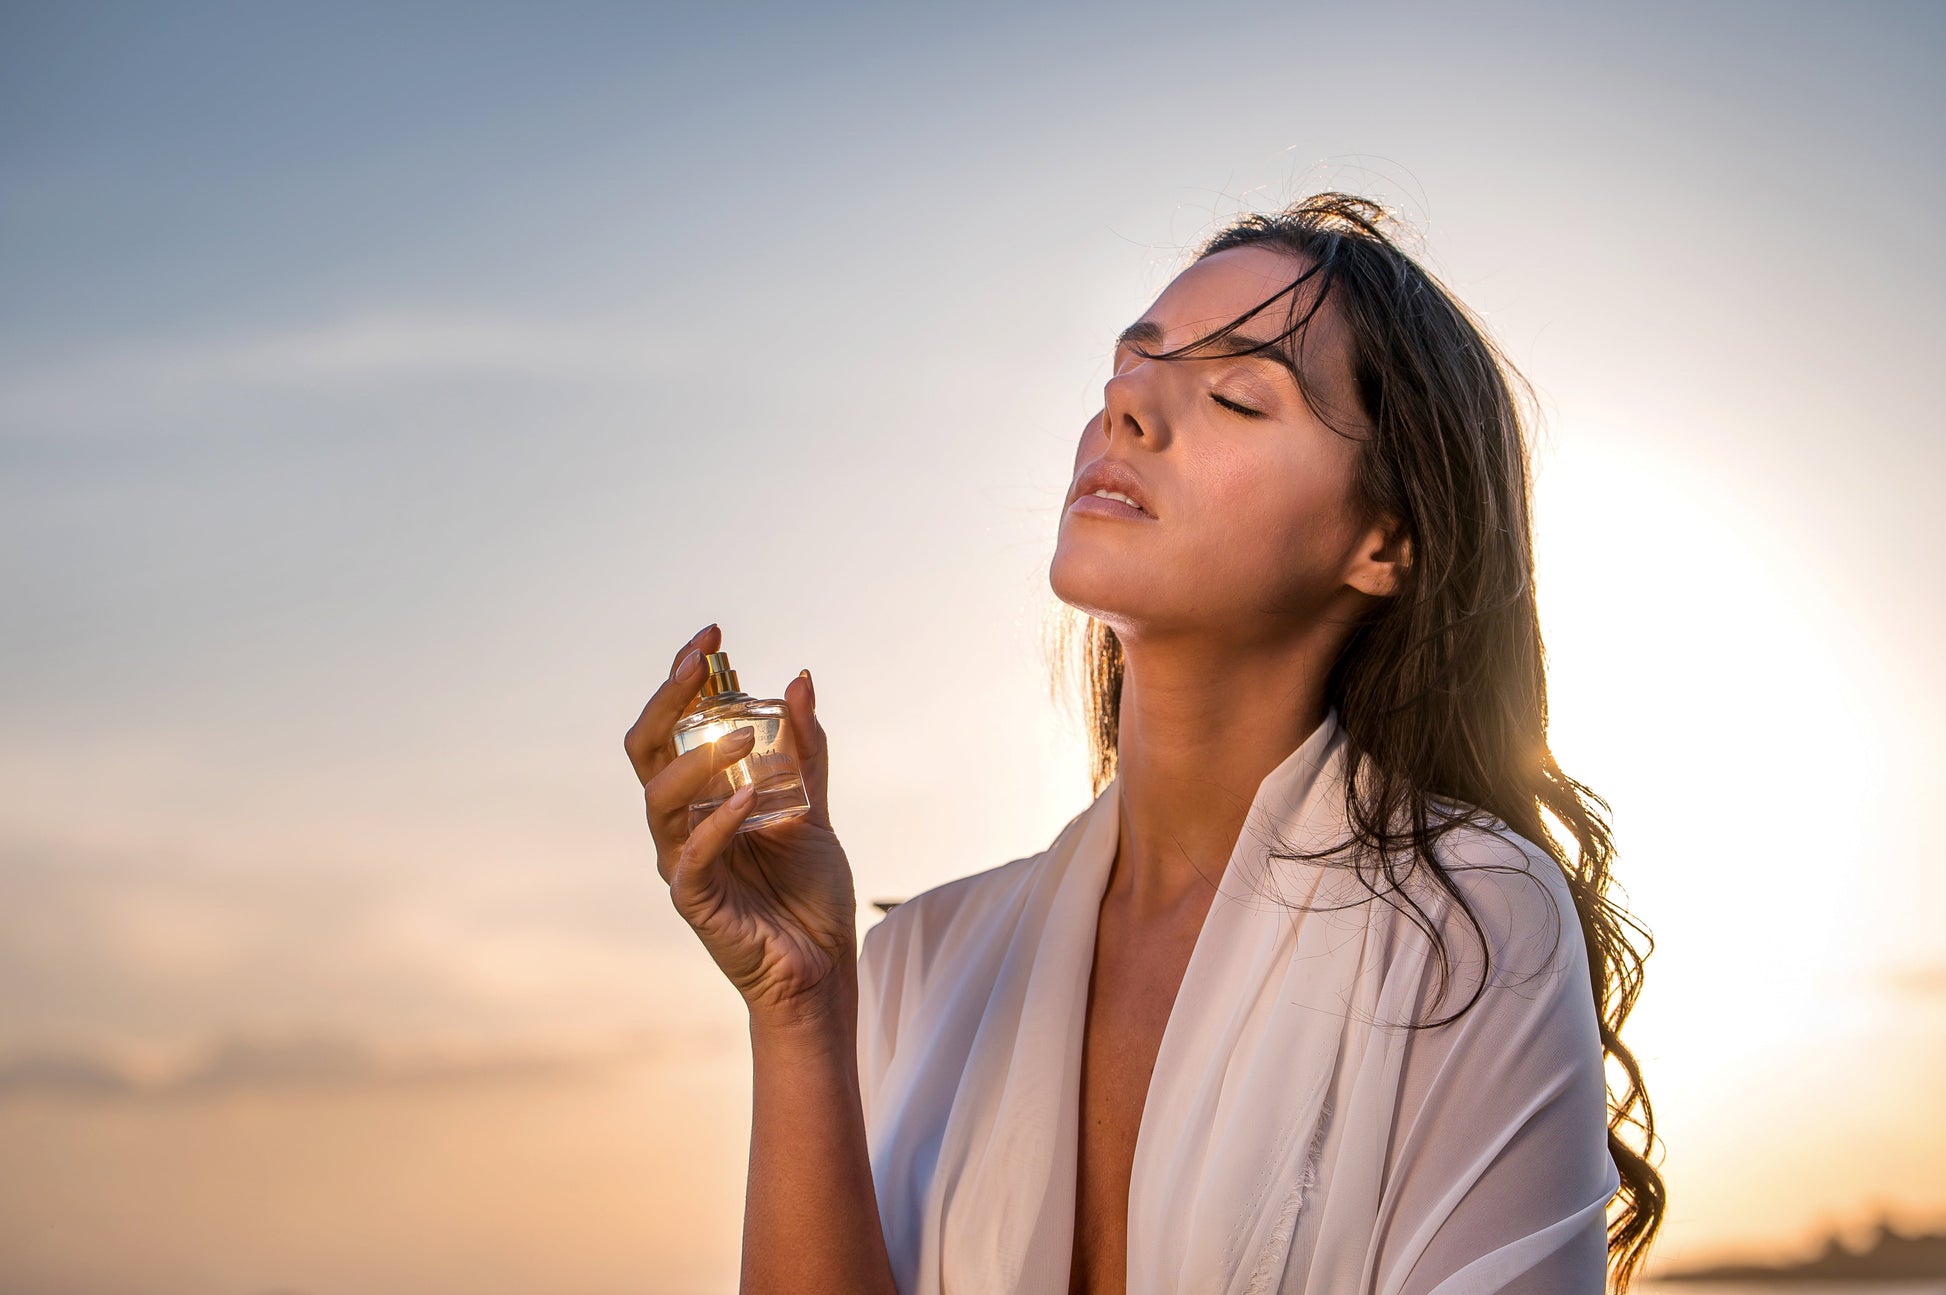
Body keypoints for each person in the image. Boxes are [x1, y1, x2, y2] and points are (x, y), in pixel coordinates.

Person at [624, 192, 1665, 1294]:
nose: (1126, 402)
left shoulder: (1466, 922)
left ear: (1383, 540)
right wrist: (798, 1009)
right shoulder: (914, 965)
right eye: (1131, 363)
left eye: (1235, 395)